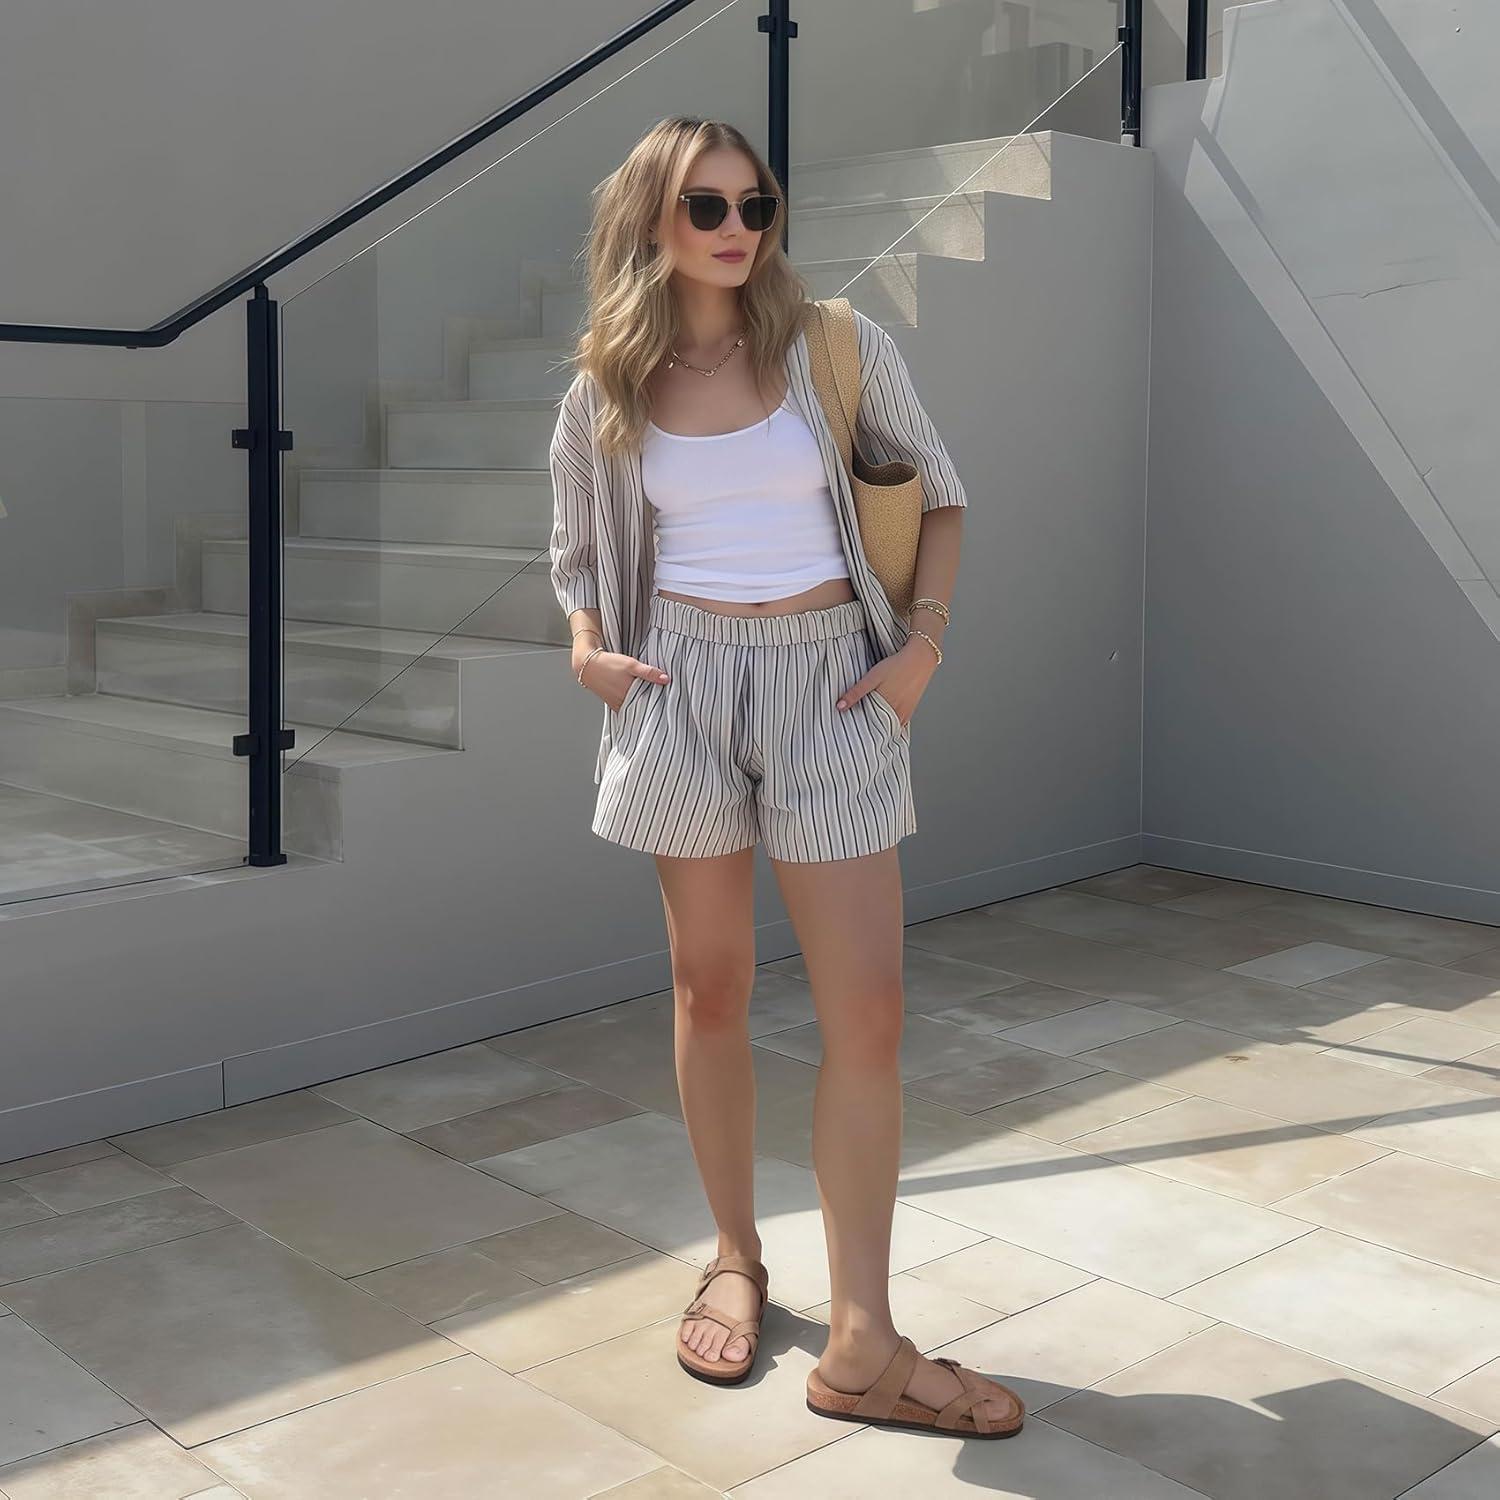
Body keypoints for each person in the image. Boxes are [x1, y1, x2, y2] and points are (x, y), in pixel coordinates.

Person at [548, 115, 1023, 1440]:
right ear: (652, 219)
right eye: (705, 206)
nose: (736, 228)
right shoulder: (606, 387)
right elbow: (576, 551)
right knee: (710, 988)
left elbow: (941, 495)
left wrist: (923, 647)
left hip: (833, 683)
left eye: (753, 204)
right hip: (681, 687)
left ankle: (864, 1338)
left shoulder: (833, 346)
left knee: (867, 1010)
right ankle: (735, 1257)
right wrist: (587, 651)